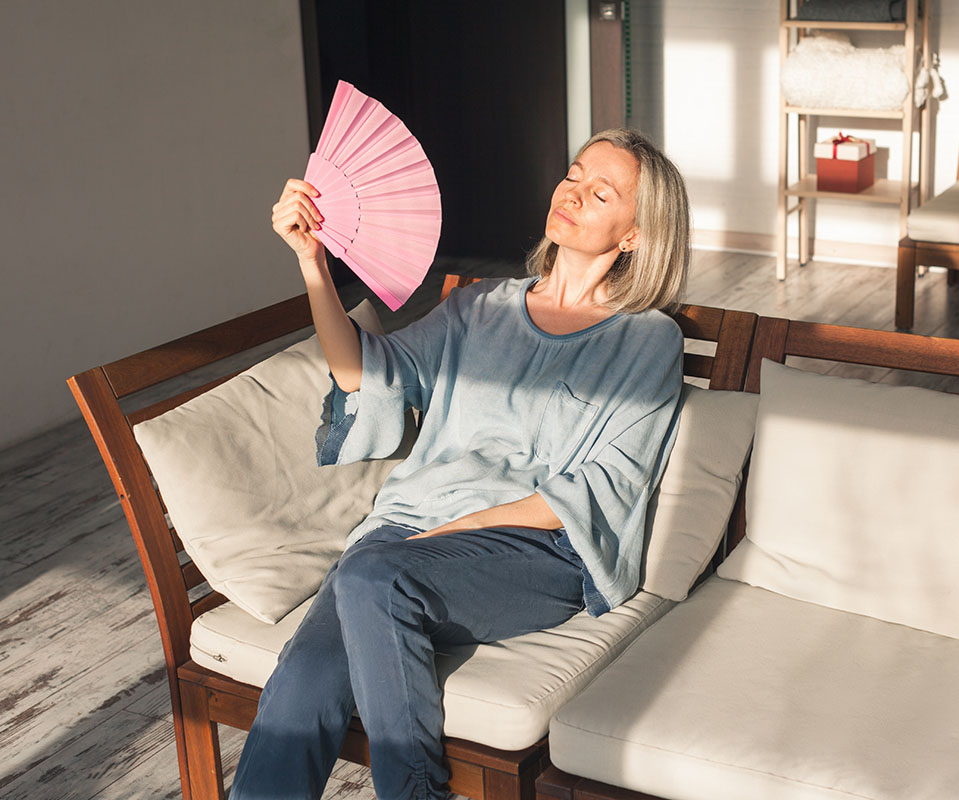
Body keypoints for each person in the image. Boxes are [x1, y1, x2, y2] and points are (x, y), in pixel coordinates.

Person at [229, 128, 692, 800]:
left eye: (601, 193)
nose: (571, 193)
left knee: (372, 576)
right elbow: (365, 373)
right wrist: (312, 263)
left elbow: (604, 484)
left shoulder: (648, 340)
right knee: (302, 686)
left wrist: (457, 532)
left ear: (635, 237)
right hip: (401, 541)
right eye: (574, 173)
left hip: (532, 549)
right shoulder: (479, 306)